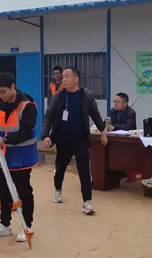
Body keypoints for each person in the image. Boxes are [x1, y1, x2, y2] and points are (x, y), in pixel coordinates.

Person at [41, 66, 107, 215]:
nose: (63, 79)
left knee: (84, 170)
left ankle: (87, 201)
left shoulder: (86, 95)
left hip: (81, 139)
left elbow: (95, 114)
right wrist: (45, 135)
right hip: (62, 139)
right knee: (60, 167)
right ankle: (58, 190)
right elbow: (49, 116)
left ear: (76, 79)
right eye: (62, 77)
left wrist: (103, 132)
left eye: (67, 77)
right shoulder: (58, 96)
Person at [0, 72, 37, 243]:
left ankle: (27, 225)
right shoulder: (0, 106)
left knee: (23, 192)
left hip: (22, 157)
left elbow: (25, 132)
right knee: (4, 192)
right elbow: (0, 129)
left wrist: (5, 140)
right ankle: (5, 224)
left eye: (3, 92)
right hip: (4, 156)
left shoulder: (28, 106)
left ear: (13, 87)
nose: (0, 96)